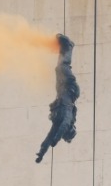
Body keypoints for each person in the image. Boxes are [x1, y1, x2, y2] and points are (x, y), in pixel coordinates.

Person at [34, 34, 80, 162]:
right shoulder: (68, 118)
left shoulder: (57, 123)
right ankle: (69, 46)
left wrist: (42, 152)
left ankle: (63, 48)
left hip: (61, 90)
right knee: (63, 67)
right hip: (70, 88)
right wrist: (56, 139)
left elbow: (49, 136)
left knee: (58, 69)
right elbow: (63, 127)